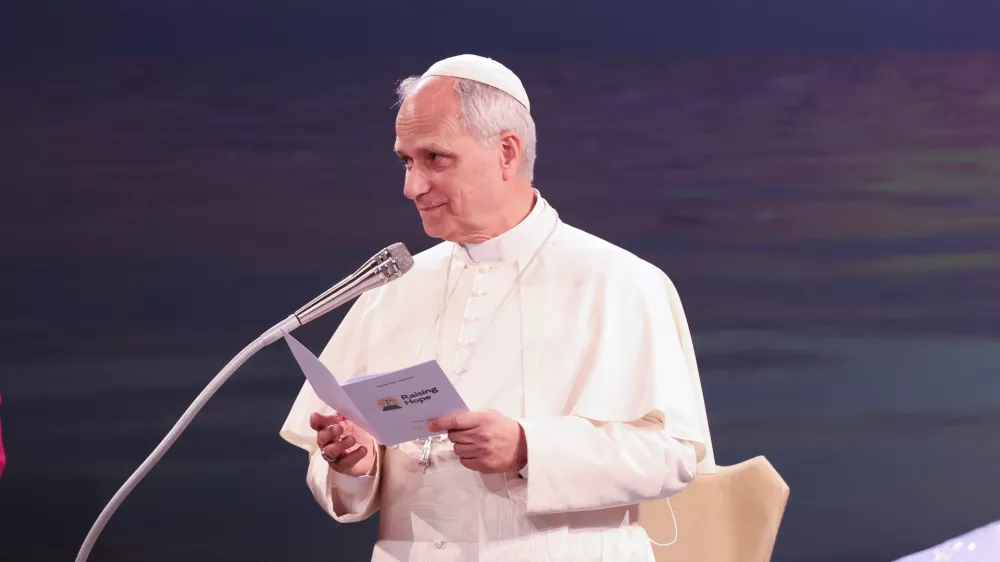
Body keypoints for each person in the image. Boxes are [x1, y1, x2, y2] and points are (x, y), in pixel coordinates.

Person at [279, 54, 716, 561]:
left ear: (507, 152)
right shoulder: (393, 287)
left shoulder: (618, 280)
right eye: (405, 161)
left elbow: (673, 456)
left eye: (435, 159)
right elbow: (342, 459)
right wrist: (354, 462)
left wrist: (528, 448)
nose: (411, 186)